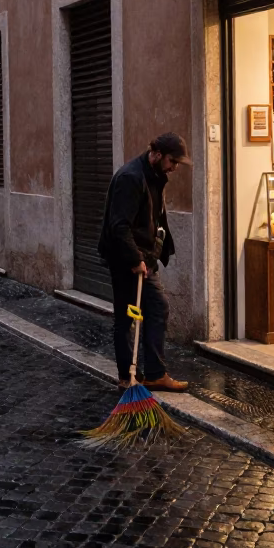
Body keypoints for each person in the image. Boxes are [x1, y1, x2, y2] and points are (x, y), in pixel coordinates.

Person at [98, 132, 191, 392]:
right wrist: (135, 259)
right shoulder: (131, 177)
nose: (174, 168)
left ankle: (154, 374)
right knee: (126, 318)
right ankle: (127, 377)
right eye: (173, 161)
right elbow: (119, 226)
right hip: (125, 258)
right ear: (157, 154)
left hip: (144, 258)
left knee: (157, 307)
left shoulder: (155, 176)